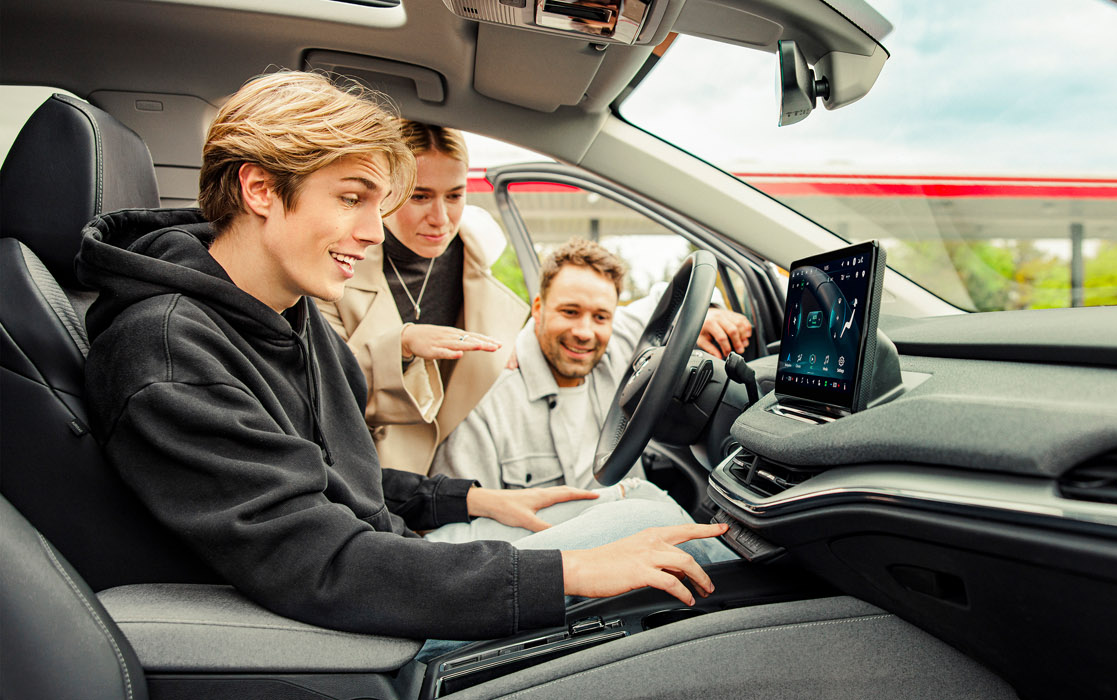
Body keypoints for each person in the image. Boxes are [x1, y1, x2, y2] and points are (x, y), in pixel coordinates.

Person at [77, 70, 726, 643]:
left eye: (378, 204)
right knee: (667, 535)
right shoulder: (167, 355)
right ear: (261, 190)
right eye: (352, 198)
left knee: (643, 515)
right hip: (357, 630)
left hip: (388, 562)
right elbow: (316, 559)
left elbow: (327, 473)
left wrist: (469, 500)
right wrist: (572, 572)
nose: (370, 232)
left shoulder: (286, 314)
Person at [430, 238, 751, 491]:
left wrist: (708, 311)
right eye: (569, 312)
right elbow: (462, 525)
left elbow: (666, 299)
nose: (584, 332)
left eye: (600, 317)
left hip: (634, 530)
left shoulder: (623, 343)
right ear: (538, 309)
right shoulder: (486, 400)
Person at [315, 120, 525, 476]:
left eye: (455, 195)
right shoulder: (330, 268)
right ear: (386, 192)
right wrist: (401, 346)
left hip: (455, 475)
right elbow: (319, 388)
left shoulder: (481, 273)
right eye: (421, 196)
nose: (441, 219)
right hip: (354, 474)